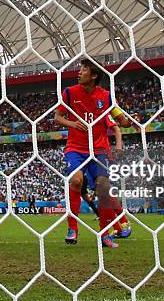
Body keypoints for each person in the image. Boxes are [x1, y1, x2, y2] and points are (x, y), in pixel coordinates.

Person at [55, 59, 133, 248]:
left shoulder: (106, 97)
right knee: (75, 181)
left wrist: (128, 121)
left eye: (83, 70)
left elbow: (121, 120)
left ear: (94, 75)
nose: (79, 73)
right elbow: (57, 117)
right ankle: (72, 229)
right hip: (76, 148)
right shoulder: (69, 93)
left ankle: (105, 234)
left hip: (98, 150)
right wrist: (72, 124)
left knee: (103, 187)